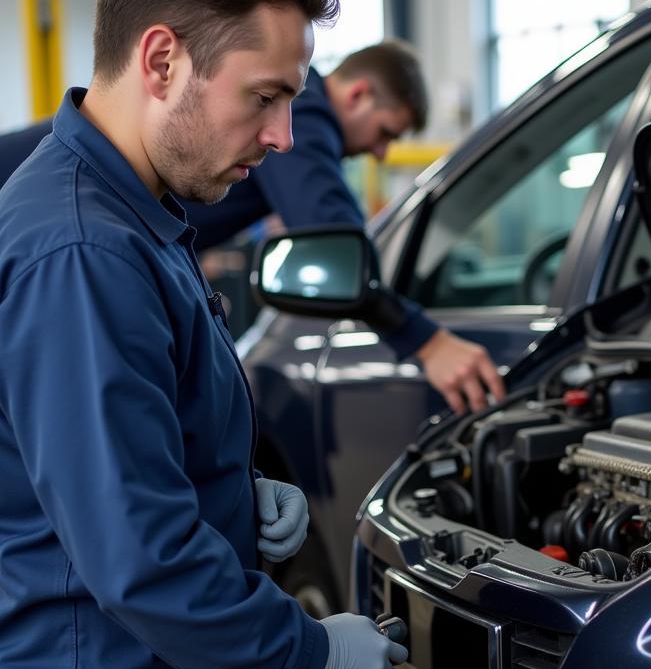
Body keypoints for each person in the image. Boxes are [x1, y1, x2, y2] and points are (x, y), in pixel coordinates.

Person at [0, 0, 408, 669]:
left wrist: (230, 498)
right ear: (162, 62)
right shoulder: (83, 249)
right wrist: (308, 652)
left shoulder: (140, 214)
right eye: (263, 98)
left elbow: (124, 460)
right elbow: (138, 555)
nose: (280, 137)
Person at [0, 41, 506, 415]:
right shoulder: (306, 116)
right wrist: (426, 340)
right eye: (385, 134)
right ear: (358, 94)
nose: (380, 153)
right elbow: (337, 246)